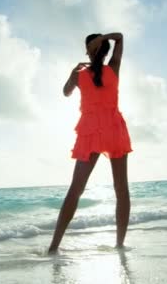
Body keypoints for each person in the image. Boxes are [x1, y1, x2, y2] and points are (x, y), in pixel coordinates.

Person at [48, 32, 132, 253]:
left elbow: (66, 92)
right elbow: (120, 37)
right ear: (104, 50)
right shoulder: (113, 67)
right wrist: (102, 38)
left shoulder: (80, 74)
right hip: (113, 129)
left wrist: (72, 73)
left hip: (92, 131)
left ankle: (53, 247)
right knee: (121, 189)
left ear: (89, 49)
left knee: (76, 190)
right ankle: (120, 244)